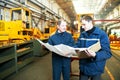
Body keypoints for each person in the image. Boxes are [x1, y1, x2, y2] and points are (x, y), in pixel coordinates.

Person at [75, 15, 112, 80]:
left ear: (90, 23)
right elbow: (77, 46)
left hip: (96, 68)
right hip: (84, 68)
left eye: (84, 24)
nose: (82, 27)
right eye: (82, 25)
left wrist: (95, 55)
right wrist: (72, 49)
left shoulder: (102, 35)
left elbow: (107, 53)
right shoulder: (82, 35)